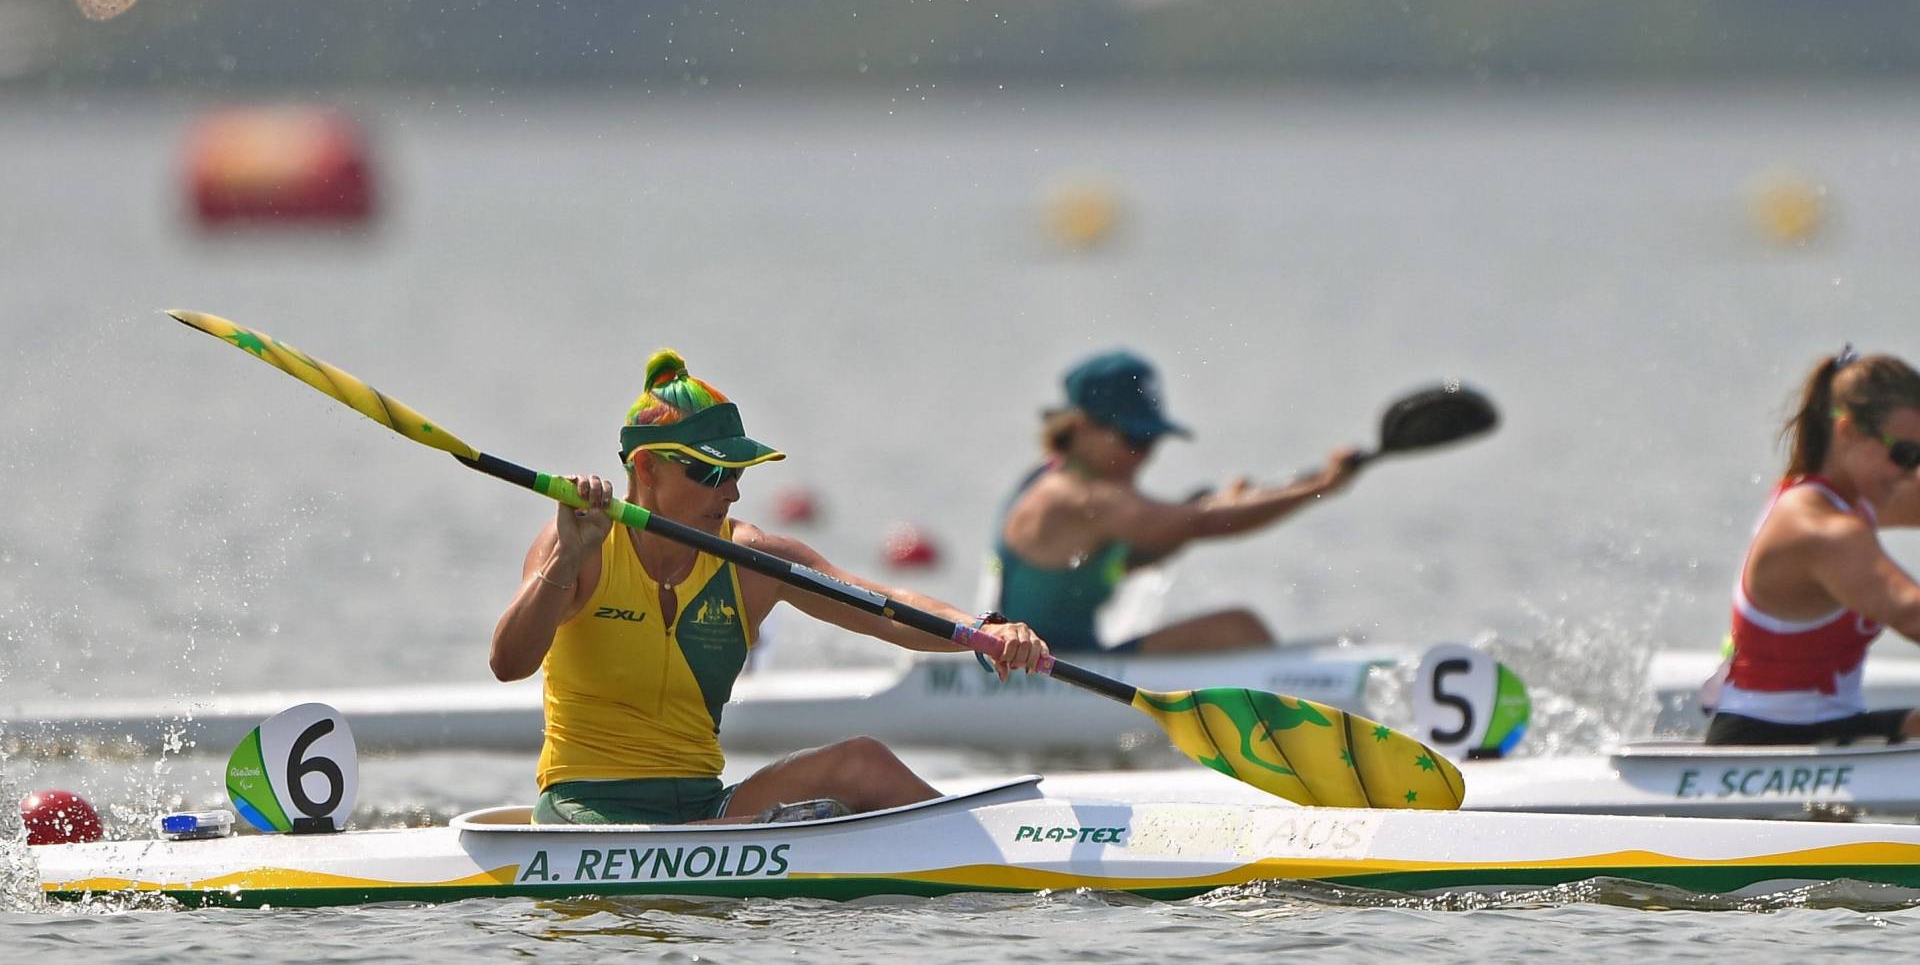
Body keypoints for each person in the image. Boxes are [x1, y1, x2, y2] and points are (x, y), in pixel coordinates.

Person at [490, 349, 1048, 825]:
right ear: (647, 467)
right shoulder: (581, 543)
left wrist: (981, 630)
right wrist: (568, 555)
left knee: (863, 761)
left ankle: (992, 857)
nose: (730, 493)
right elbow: (508, 662)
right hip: (583, 811)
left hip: (702, 810)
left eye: (737, 473)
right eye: (711, 474)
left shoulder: (749, 558)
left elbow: (884, 607)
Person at [987, 350, 1362, 655]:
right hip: (1044, 671)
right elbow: (1202, 524)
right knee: (1237, 629)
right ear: (1082, 427)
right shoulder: (1074, 497)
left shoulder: (1059, 480)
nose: (1143, 456)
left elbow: (1144, 549)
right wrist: (1323, 485)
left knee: (1235, 629)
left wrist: (1222, 506)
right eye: (1134, 439)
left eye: (1152, 440)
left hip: (1069, 661)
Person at [1705, 346, 1920, 746]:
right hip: (1762, 746)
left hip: (1832, 732)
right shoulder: (1819, 529)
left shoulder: (1856, 496)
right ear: (1849, 432)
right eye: (1905, 454)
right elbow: (1912, 614)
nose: (1912, 473)